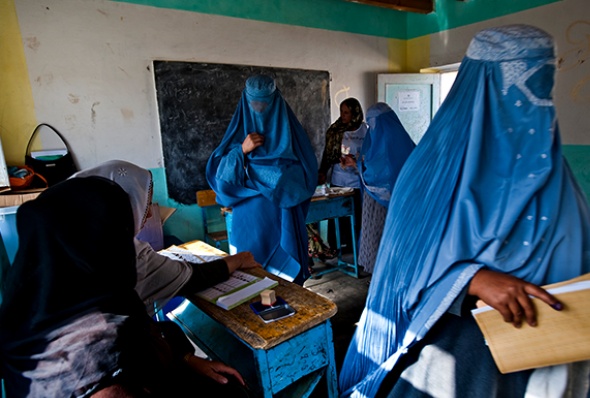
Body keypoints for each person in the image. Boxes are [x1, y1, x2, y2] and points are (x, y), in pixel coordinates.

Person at [339, 24, 590, 398]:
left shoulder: (554, 175)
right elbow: (401, 270)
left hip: (544, 356)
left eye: (543, 89)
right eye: (520, 89)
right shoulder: (428, 174)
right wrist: (473, 280)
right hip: (447, 349)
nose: (533, 106)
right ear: (483, 91)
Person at [0, 177, 250, 397]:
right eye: (121, 234)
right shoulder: (94, 359)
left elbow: (143, 339)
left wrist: (184, 358)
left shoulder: (32, 311)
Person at [71, 160, 261, 317]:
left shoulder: (64, 239)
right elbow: (191, 278)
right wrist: (238, 259)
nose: (146, 217)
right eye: (143, 206)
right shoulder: (127, 258)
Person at [206, 74, 318, 285]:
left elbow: (307, 175)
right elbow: (222, 185)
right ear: (245, 101)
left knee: (286, 286)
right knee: (250, 278)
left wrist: (279, 181)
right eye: (253, 102)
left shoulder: (292, 135)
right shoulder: (238, 134)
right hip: (251, 221)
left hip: (282, 217)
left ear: (275, 101)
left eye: (265, 102)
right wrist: (241, 151)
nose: (258, 108)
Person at [357, 102, 415, 273]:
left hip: (389, 205)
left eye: (373, 122)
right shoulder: (378, 143)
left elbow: (383, 172)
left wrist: (362, 167)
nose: (371, 128)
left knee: (383, 239)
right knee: (376, 237)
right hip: (381, 202)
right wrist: (358, 164)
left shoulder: (395, 143)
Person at [318, 97, 368, 255]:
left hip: (358, 180)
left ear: (355, 112)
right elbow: (328, 154)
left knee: (357, 215)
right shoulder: (336, 130)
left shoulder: (366, 130)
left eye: (346, 112)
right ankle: (338, 247)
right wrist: (323, 171)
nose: (343, 115)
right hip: (339, 180)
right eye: (341, 112)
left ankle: (356, 247)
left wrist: (356, 160)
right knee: (338, 214)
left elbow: (372, 153)